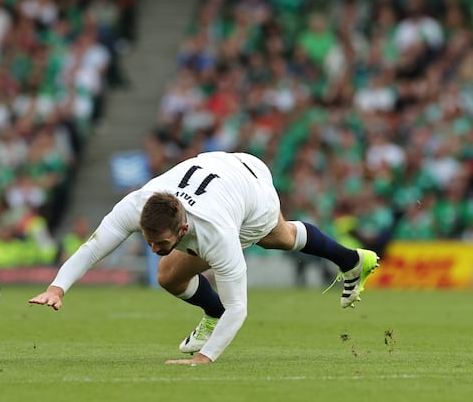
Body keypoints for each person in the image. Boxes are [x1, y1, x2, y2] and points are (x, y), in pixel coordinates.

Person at [29, 151, 379, 364]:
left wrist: (203, 358)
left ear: (181, 231)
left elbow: (240, 307)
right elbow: (93, 247)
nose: (152, 248)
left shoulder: (216, 233)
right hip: (223, 165)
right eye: (148, 241)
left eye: (160, 242)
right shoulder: (137, 204)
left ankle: (349, 259)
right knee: (168, 274)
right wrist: (58, 288)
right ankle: (351, 260)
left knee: (278, 237)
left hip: (252, 194)